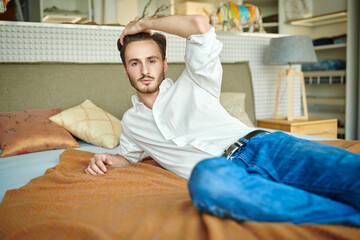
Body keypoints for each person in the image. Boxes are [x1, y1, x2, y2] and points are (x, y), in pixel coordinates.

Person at [85, 15, 360, 226]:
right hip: (223, 173)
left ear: (164, 64)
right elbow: (128, 157)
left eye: (152, 60)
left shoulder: (196, 80)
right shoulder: (132, 122)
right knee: (206, 183)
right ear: (125, 71)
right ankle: (348, 218)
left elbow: (198, 23)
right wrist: (106, 160)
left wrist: (142, 23)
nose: (145, 70)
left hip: (266, 146)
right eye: (135, 63)